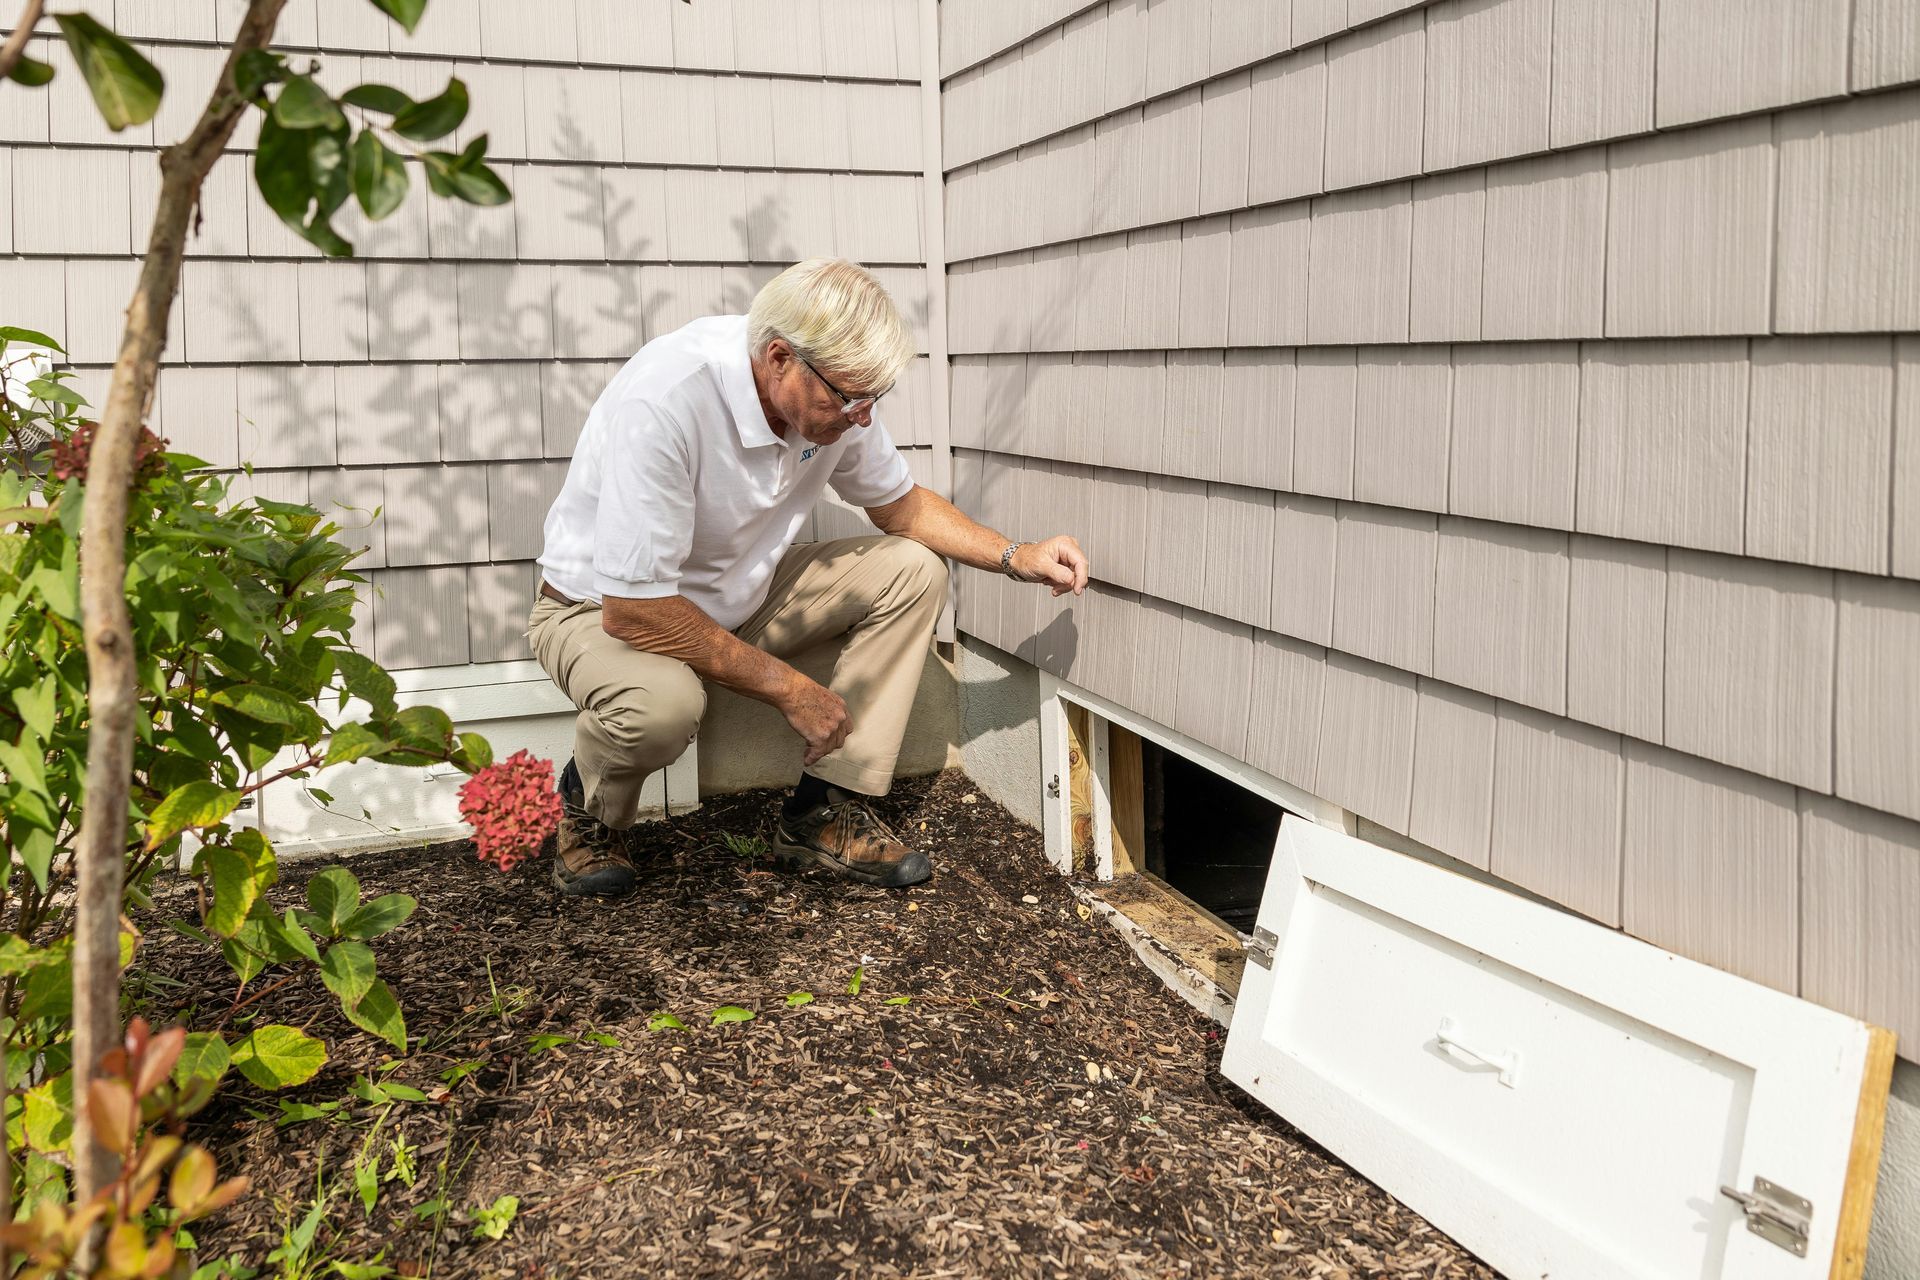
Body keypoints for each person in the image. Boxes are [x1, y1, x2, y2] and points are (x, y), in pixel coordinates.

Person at [529, 259, 1090, 898]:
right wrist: (791, 689)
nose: (861, 418)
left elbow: (900, 509)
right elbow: (635, 609)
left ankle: (823, 811)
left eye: (872, 400)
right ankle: (587, 808)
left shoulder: (833, 405)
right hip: (598, 609)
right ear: (778, 358)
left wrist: (1016, 555)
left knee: (912, 569)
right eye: (848, 398)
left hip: (737, 597)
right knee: (664, 708)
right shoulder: (668, 400)